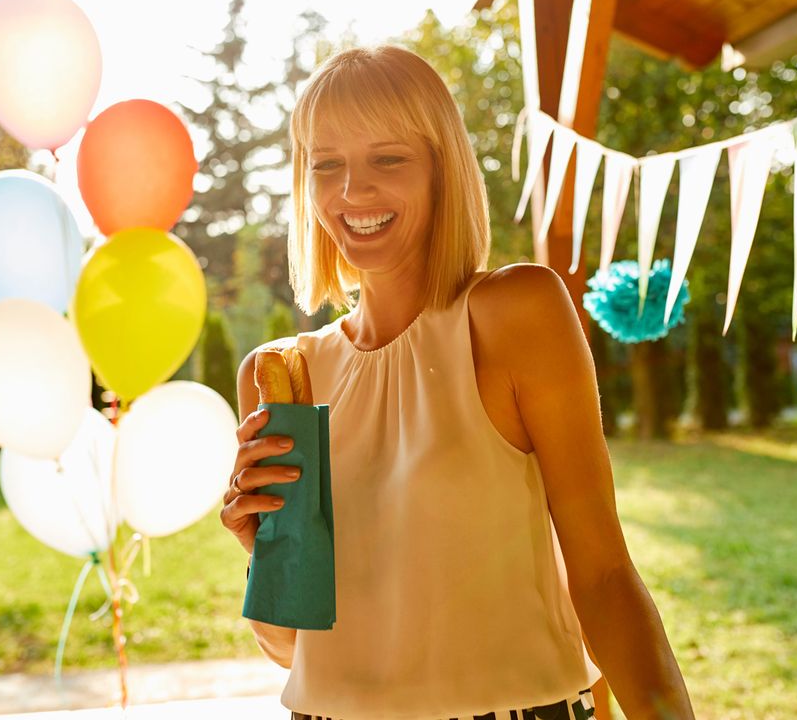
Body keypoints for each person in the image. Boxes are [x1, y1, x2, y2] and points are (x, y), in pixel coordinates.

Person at [220, 45, 694, 720]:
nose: (353, 192)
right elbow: (293, 648)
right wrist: (261, 553)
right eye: (327, 165)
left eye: (388, 159)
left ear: (442, 169)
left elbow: (605, 576)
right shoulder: (282, 377)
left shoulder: (516, 313)